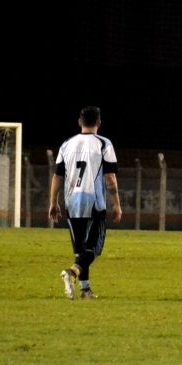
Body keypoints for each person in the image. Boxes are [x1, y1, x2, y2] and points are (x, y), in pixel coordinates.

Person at [49, 106, 122, 300]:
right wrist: (116, 204)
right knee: (93, 249)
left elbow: (57, 176)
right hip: (93, 202)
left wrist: (53, 202)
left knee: (81, 249)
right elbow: (110, 179)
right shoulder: (104, 144)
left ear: (79, 122)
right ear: (99, 123)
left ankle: (85, 290)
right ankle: (72, 272)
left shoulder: (66, 144)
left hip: (72, 202)